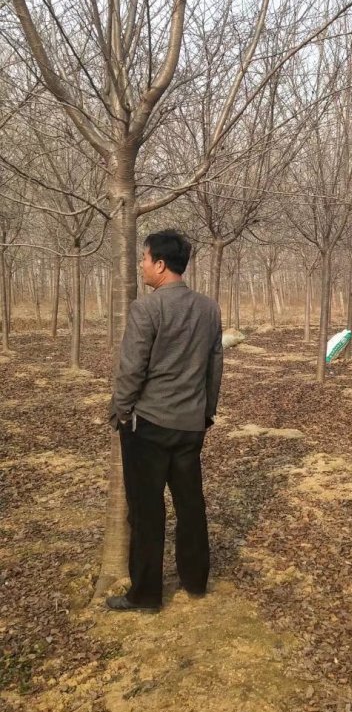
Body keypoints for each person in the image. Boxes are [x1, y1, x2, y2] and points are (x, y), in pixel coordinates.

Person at [106, 230, 223, 612]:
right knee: (191, 505)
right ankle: (195, 581)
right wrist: (206, 412)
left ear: (160, 264)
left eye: (144, 258)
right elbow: (214, 368)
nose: (141, 265)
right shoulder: (209, 309)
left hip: (149, 425)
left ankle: (146, 595)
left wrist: (121, 409)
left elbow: (131, 368)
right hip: (191, 424)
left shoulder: (147, 308)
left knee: (146, 510)